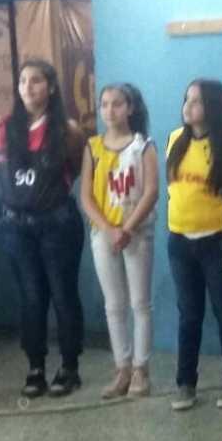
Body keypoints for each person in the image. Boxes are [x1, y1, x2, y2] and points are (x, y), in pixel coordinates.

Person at [0, 59, 86, 398]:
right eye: (23, 81)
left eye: (36, 81)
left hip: (57, 225)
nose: (28, 87)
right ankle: (35, 366)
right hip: (16, 227)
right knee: (31, 297)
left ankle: (69, 367)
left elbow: (74, 171)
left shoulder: (69, 131)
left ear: (52, 87)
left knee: (63, 294)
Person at [166, 79, 222, 412]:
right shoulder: (174, 139)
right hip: (179, 241)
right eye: (187, 99)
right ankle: (186, 383)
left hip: (216, 241)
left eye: (196, 100)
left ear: (212, 106)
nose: (188, 106)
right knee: (189, 315)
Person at [80, 83, 158, 398]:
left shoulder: (143, 146)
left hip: (136, 232)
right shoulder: (92, 147)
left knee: (140, 303)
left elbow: (151, 191)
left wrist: (126, 228)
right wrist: (109, 229)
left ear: (130, 108)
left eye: (117, 104)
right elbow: (86, 196)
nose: (110, 110)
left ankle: (141, 369)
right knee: (114, 305)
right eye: (104, 104)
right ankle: (122, 367)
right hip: (103, 234)